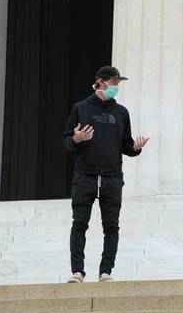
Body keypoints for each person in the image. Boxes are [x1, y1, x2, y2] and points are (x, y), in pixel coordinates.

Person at [63, 66, 149, 283]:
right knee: (79, 223)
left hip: (112, 178)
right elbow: (66, 142)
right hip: (85, 176)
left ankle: (106, 271)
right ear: (100, 82)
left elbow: (126, 146)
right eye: (113, 83)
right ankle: (77, 271)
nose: (116, 87)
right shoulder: (80, 109)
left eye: (118, 83)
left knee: (111, 226)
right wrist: (77, 139)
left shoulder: (121, 113)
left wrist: (136, 148)